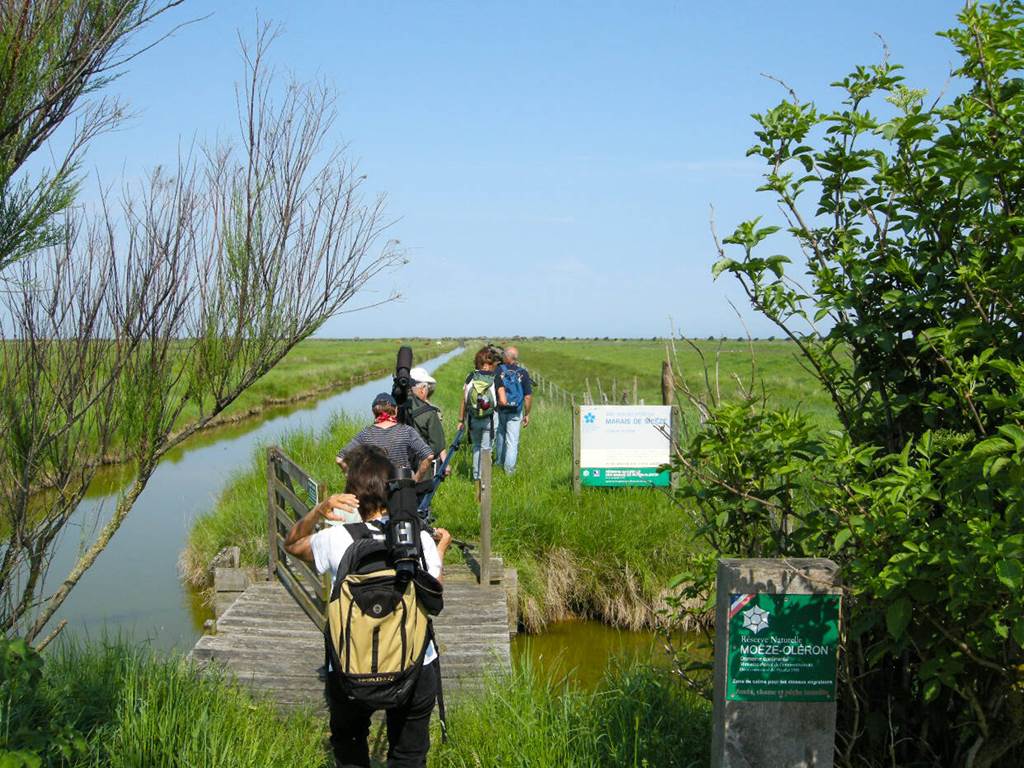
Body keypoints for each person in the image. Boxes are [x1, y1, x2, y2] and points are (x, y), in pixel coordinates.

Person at [284, 446, 452, 768]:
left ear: (352, 497)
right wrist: (440, 548)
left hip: (348, 668)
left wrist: (319, 509)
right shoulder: (419, 539)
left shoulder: (336, 539)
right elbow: (435, 591)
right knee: (408, 757)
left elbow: (291, 544)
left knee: (351, 756)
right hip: (415, 664)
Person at [337, 392, 434, 482]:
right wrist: (416, 480)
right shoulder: (406, 431)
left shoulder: (366, 433)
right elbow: (428, 456)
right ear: (395, 410)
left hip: (375, 491)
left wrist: (354, 479)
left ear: (373, 412)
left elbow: (340, 459)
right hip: (402, 490)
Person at [456, 346, 501, 481]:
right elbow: (502, 400)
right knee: (486, 448)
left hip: (473, 418)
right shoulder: (495, 377)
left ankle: (476, 477)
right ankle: (485, 479)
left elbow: (464, 400)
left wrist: (461, 420)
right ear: (490, 363)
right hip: (490, 418)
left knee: (476, 447)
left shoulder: (470, 377)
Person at [493, 345, 533, 474]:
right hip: (516, 411)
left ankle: (499, 463)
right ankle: (509, 470)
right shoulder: (523, 373)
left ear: (506, 357)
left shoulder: (498, 370)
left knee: (500, 435)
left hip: (501, 409)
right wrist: (527, 414)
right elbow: (527, 397)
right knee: (512, 441)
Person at [408, 366, 447, 475]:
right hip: (423, 470)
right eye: (427, 388)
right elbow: (437, 444)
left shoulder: (395, 408)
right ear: (422, 388)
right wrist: (445, 463)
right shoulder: (429, 412)